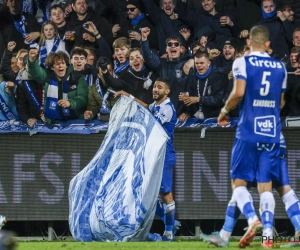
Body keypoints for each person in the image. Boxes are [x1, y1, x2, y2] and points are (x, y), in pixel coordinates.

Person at [215, 25, 286, 248]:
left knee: (238, 183)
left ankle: (252, 218)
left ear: (248, 42)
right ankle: (267, 237)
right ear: (267, 44)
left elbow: (238, 92)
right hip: (271, 132)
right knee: (266, 186)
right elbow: (281, 103)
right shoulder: (280, 66)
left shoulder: (242, 62)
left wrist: (224, 111)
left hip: (248, 131)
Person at [200, 133, 300, 248]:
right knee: (283, 188)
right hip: (277, 138)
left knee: (240, 185)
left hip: (254, 136)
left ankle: (255, 226)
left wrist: (224, 113)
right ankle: (226, 235)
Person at [114, 77, 178, 242]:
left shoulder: (167, 108)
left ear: (167, 91)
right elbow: (145, 107)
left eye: (160, 87)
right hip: (152, 155)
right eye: (154, 87)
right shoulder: (156, 106)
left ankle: (169, 233)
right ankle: (170, 222)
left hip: (164, 155)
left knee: (165, 193)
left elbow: (152, 124)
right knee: (146, 193)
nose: (155, 89)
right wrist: (127, 96)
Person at [140, 27, 191, 120]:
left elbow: (192, 89)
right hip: (163, 112)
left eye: (176, 44)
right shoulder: (161, 64)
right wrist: (144, 39)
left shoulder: (187, 64)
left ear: (181, 48)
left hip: (182, 114)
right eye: (169, 44)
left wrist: (188, 112)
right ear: (166, 49)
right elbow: (148, 57)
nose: (173, 46)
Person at [27, 49, 88, 126]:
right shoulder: (47, 77)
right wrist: (32, 61)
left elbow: (83, 98)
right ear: (52, 67)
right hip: (52, 123)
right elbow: (35, 73)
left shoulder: (78, 78)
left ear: (66, 65)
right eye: (57, 64)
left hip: (74, 123)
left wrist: (70, 103)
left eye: (63, 63)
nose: (61, 66)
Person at [179, 51, 228, 119]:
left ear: (208, 63)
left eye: (202, 63)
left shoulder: (218, 76)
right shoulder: (193, 77)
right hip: (197, 117)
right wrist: (185, 99)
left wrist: (199, 99)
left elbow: (218, 99)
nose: (199, 65)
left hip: (215, 118)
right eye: (196, 63)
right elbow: (190, 96)